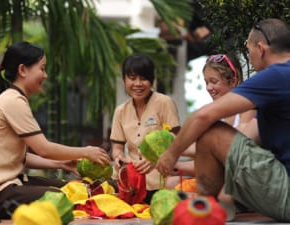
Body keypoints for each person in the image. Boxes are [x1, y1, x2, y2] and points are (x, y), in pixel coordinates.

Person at [156, 18, 290, 221]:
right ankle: (220, 206)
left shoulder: (277, 75)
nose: (249, 56)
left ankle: (204, 212)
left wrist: (171, 154)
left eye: (249, 48)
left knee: (210, 130)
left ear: (261, 49)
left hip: (286, 193)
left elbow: (203, 116)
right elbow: (247, 138)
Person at [0, 41, 111, 219]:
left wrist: (61, 164)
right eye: (42, 68)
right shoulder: (13, 101)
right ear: (22, 70)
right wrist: (86, 152)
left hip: (11, 185)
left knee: (71, 187)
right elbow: (44, 149)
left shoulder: (13, 99)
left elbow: (21, 157)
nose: (45, 75)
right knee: (63, 198)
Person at [110, 53, 181, 204]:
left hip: (160, 182)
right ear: (124, 80)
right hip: (129, 184)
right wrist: (118, 158)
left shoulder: (164, 102)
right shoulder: (120, 111)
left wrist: (156, 159)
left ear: (151, 80)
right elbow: (117, 148)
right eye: (132, 78)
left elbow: (176, 141)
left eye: (143, 78)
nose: (138, 84)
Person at [175, 53, 256, 176]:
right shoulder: (215, 115)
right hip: (222, 177)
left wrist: (178, 159)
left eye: (213, 81)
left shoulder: (247, 109)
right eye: (206, 82)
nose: (208, 87)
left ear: (233, 81)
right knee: (172, 183)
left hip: (241, 175)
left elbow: (233, 153)